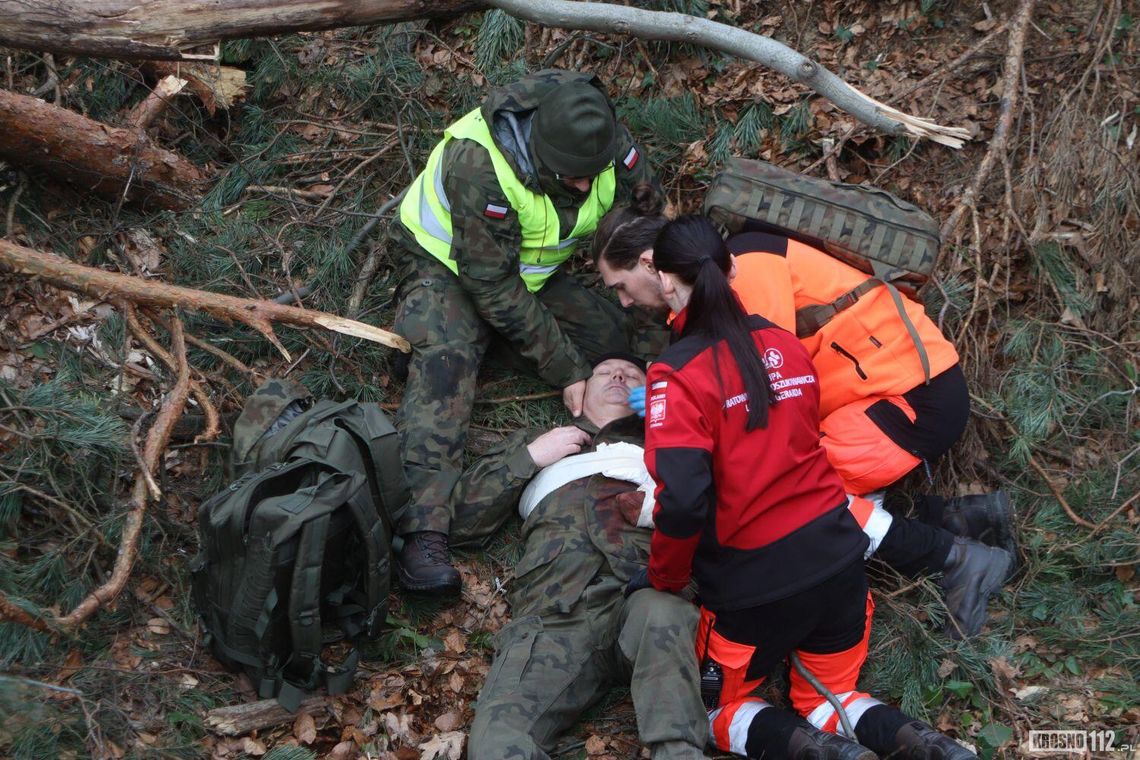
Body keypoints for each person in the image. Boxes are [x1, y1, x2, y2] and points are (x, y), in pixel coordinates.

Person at [593, 187, 1014, 639]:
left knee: (790, 498)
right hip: (888, 393)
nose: (625, 302)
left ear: (651, 263)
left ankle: (957, 559)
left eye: (620, 286)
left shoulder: (747, 273)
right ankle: (965, 517)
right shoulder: (728, 275)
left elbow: (768, 401)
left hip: (908, 397)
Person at [628, 215, 975, 760]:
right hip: (840, 565)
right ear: (733, 267)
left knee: (711, 710)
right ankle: (935, 748)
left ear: (666, 284)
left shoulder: (675, 375)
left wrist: (663, 578)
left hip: (755, 586)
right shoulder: (787, 347)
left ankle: (827, 755)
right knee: (831, 699)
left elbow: (685, 500)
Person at [389, 69, 662, 594]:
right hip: (447, 268)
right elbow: (491, 286)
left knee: (619, 336)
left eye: (591, 175)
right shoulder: (479, 164)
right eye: (570, 178)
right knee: (446, 364)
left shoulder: (607, 144)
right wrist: (566, 370)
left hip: (537, 274)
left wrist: (657, 369)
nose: (583, 187)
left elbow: (646, 243)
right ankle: (421, 533)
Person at [445, 354, 710, 760]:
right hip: (556, 618)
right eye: (604, 372)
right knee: (497, 743)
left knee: (663, 611)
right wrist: (530, 456)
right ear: (579, 396)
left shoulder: (674, 445)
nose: (618, 375)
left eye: (633, 374)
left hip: (642, 598)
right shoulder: (544, 442)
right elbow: (460, 520)